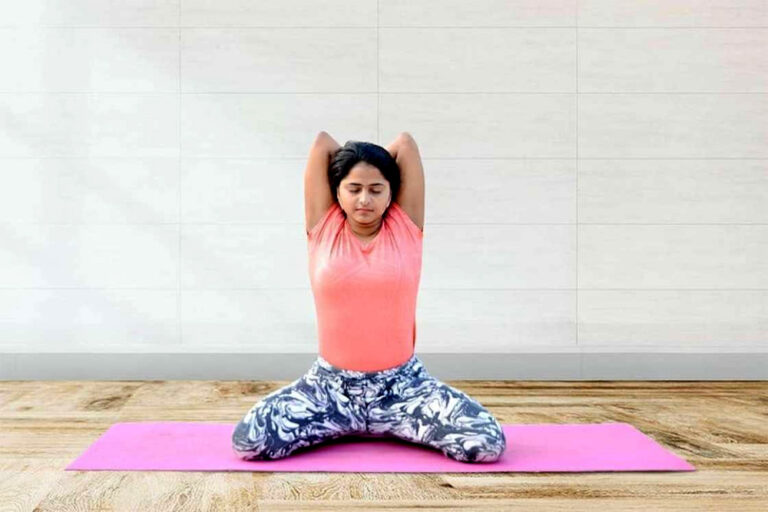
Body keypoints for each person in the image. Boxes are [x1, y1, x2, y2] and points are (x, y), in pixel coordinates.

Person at [231, 132, 506, 463]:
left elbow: (405, 144)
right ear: (337, 191)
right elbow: (322, 143)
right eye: (354, 188)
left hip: (404, 389)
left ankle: (383, 424)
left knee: (486, 443)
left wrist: (374, 159)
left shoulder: (406, 227)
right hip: (329, 390)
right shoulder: (323, 226)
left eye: (376, 189)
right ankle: (349, 424)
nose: (365, 199)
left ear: (391, 193)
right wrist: (357, 157)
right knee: (249, 441)